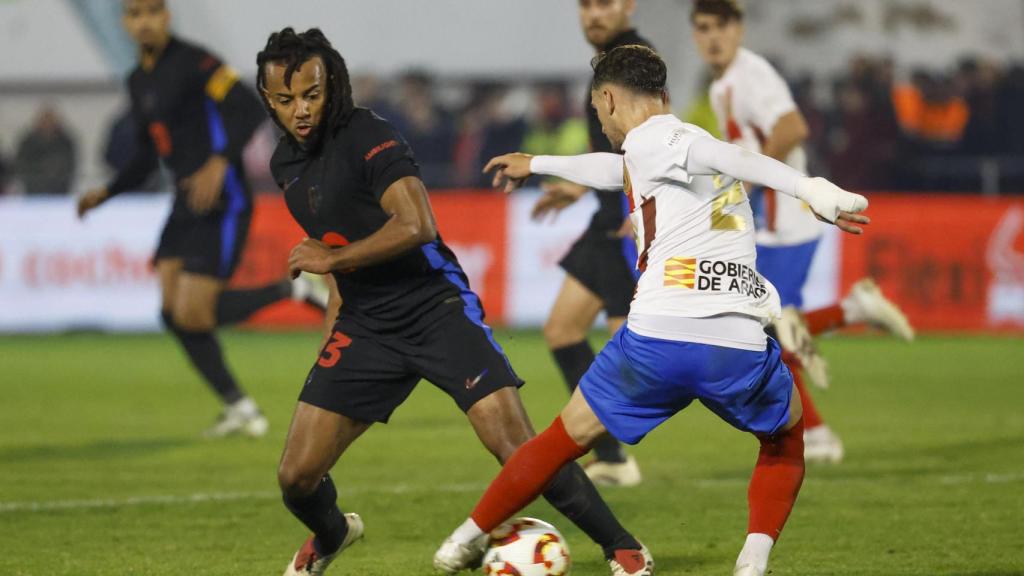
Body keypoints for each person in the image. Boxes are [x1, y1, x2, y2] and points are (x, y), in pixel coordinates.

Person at [436, 44, 871, 576]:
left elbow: (733, 157)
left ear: (611, 98)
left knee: (558, 441)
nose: (600, 122)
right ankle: (753, 563)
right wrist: (540, 163)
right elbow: (617, 168)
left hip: (655, 341)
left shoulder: (675, 140)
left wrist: (810, 188)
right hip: (733, 344)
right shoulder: (655, 148)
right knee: (785, 442)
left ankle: (463, 540)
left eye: (598, 110)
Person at [255, 28, 652, 576]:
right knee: (295, 479)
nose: (299, 109)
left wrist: (333, 261)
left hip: (433, 307)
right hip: (365, 324)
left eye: (311, 95)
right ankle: (333, 534)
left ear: (333, 86)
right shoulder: (286, 165)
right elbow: (339, 254)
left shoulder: (368, 134)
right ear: (268, 99)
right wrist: (332, 338)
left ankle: (623, 547)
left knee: (516, 446)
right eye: (284, 99)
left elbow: (417, 225)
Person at [77, 0, 325, 438]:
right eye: (135, 14)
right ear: (125, 23)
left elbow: (249, 108)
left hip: (222, 196)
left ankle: (294, 288)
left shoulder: (196, 62)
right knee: (173, 313)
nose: (144, 21)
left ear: (166, 17)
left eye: (152, 11)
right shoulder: (139, 80)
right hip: (184, 200)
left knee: (194, 312)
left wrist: (218, 161)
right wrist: (107, 192)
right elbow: (146, 153)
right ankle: (241, 408)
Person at [691, 0, 913, 462]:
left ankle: (817, 433)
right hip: (767, 223)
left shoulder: (752, 74)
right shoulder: (723, 85)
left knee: (770, 329)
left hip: (787, 222)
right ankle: (852, 309)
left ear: (738, 29)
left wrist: (753, 176)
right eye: (702, 28)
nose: (710, 37)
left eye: (719, 27)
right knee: (769, 327)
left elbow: (793, 127)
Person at [519, 0, 653, 487]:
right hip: (604, 216)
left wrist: (642, 210)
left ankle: (752, 392)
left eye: (605, 4)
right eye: (587, 5)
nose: (594, 14)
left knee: (636, 358)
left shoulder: (633, 58)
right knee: (562, 331)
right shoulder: (607, 60)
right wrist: (577, 185)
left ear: (628, 7)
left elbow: (655, 138)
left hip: (620, 223)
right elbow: (613, 150)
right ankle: (613, 456)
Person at [14, 106, 78, 195]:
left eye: (50, 120)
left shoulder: (65, 141)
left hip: (59, 190)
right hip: (33, 190)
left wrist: (55, 171)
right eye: (44, 121)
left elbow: (70, 164)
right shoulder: (28, 142)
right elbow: (21, 163)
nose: (47, 123)